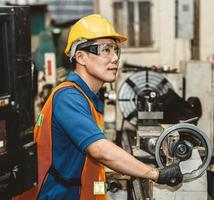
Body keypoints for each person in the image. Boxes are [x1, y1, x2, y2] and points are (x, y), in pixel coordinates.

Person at [13, 14, 182, 200]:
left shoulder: (87, 96)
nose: (115, 58)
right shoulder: (68, 97)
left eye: (116, 50)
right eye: (106, 50)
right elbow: (100, 149)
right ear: (80, 57)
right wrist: (156, 174)